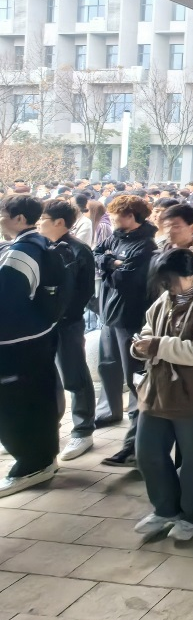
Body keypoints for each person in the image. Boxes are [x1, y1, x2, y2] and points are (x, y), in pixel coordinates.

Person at [131, 249, 193, 541]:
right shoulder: (166, 299)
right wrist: (141, 345)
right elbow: (148, 328)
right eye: (163, 281)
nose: (167, 286)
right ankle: (166, 509)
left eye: (171, 280)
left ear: (189, 275)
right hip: (157, 389)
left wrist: (157, 346)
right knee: (147, 452)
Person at [0, 195, 62, 497]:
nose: (0, 219)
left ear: (20, 219)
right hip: (37, 338)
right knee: (37, 399)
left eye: (2, 213)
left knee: (15, 405)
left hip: (15, 345)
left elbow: (5, 303)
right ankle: (42, 457)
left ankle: (32, 464)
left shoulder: (20, 253)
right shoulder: (39, 244)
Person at [95, 194, 160, 467]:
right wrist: (112, 263)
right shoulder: (116, 237)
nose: (111, 219)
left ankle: (134, 446)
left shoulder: (146, 245)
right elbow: (97, 255)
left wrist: (110, 266)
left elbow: (126, 280)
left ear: (131, 216)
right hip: (109, 315)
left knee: (135, 381)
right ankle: (108, 412)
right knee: (107, 367)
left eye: (116, 215)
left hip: (130, 319)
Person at [36, 200, 98, 461]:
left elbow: (84, 291)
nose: (38, 223)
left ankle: (83, 430)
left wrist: (64, 315)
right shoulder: (42, 246)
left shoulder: (78, 250)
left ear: (59, 222)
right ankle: (49, 426)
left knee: (74, 374)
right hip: (43, 324)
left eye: (43, 219)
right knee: (48, 376)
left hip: (67, 323)